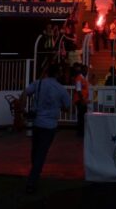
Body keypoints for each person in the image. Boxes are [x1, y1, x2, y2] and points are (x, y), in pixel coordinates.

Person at [20, 64, 71, 194]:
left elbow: (25, 92)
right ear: (57, 74)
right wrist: (59, 107)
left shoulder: (39, 83)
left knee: (36, 151)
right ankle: (32, 181)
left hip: (37, 122)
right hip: (49, 125)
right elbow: (67, 107)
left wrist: (22, 108)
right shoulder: (60, 89)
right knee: (41, 153)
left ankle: (35, 172)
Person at [72, 64, 89, 139]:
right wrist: (82, 100)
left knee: (82, 116)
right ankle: (80, 132)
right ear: (82, 70)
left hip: (82, 100)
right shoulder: (79, 78)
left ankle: (81, 131)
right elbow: (78, 90)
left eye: (87, 70)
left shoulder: (83, 78)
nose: (86, 72)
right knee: (81, 116)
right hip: (80, 100)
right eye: (85, 70)